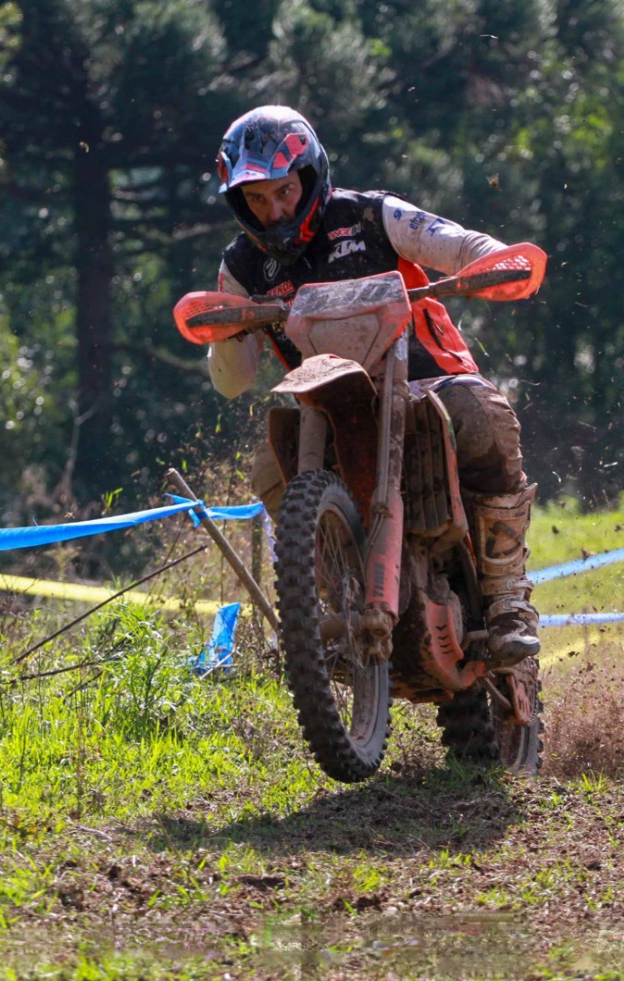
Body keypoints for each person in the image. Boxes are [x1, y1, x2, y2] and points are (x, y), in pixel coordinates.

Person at [205, 104, 541, 666]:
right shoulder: (241, 264)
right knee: (269, 467)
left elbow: (455, 244)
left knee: (482, 415)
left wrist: (491, 261)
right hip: (328, 403)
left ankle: (508, 597)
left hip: (428, 377)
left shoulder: (371, 215)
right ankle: (330, 608)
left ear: (310, 176)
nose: (274, 210)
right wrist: (227, 329)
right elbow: (232, 382)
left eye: (284, 191)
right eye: (256, 200)